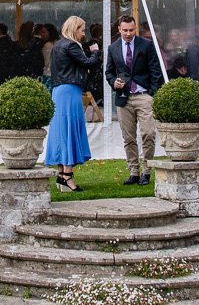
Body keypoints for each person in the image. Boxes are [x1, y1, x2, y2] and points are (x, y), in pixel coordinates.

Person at [44, 15, 101, 192]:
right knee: (69, 129)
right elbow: (88, 63)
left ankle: (62, 173)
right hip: (70, 90)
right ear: (74, 29)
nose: (83, 34)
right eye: (81, 30)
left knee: (61, 130)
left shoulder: (57, 45)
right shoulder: (71, 45)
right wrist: (95, 51)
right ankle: (67, 175)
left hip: (59, 91)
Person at [106, 13, 160, 184]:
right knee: (128, 137)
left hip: (144, 95)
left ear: (135, 28)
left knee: (148, 133)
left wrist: (152, 92)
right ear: (119, 29)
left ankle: (147, 170)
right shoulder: (113, 48)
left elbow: (155, 70)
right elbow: (109, 72)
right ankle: (134, 172)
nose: (128, 33)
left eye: (131, 30)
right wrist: (114, 82)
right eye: (125, 30)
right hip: (124, 97)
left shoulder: (146, 45)